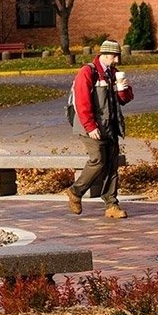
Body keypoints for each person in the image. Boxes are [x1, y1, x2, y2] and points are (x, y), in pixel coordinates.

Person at [66, 39, 134, 218]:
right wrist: (90, 127)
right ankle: (75, 192)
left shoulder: (113, 73)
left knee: (112, 165)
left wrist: (123, 88)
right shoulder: (87, 72)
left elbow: (125, 99)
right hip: (90, 127)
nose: (117, 61)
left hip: (110, 126)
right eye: (114, 57)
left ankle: (112, 204)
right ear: (104, 55)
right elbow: (82, 102)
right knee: (98, 160)